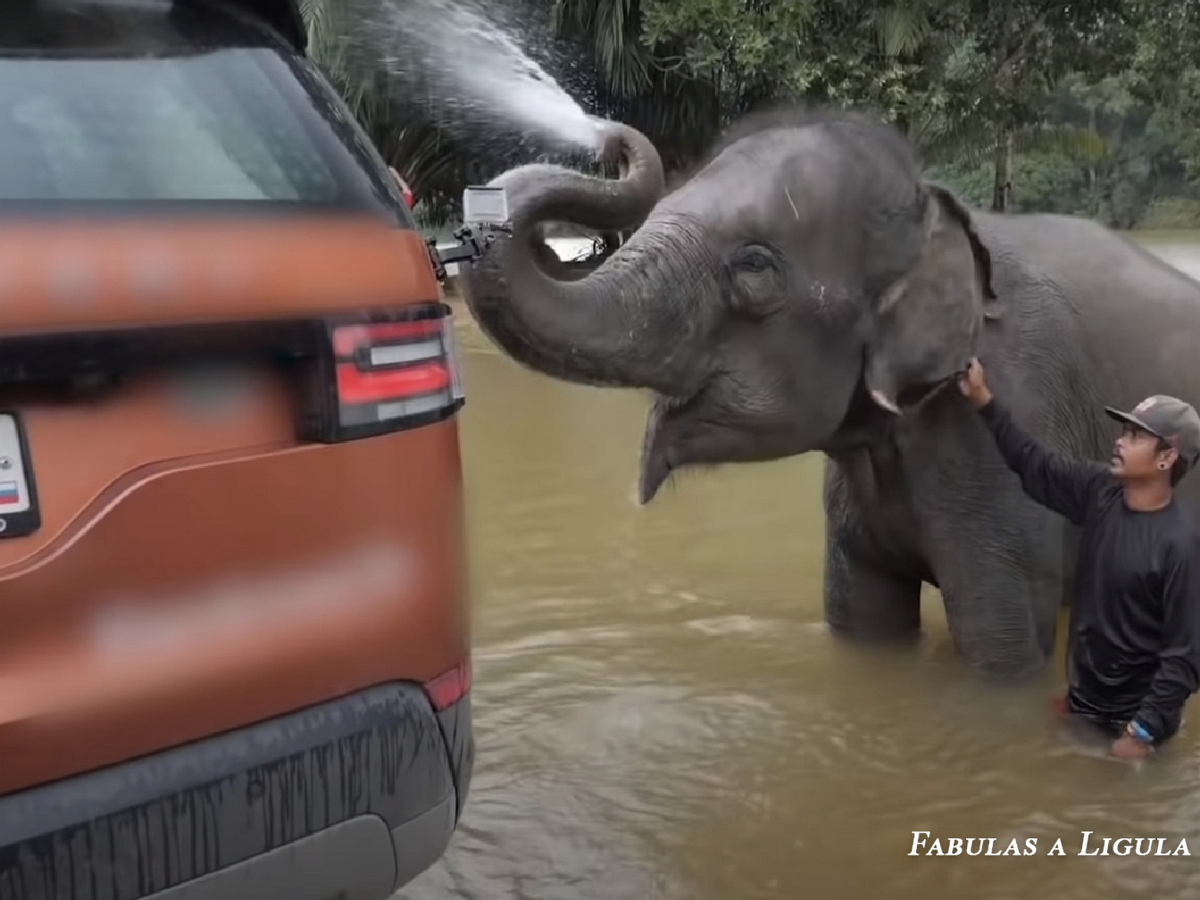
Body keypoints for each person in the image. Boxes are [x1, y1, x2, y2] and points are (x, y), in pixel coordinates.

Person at [958, 357, 1200, 761]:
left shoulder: (1180, 545)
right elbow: (1035, 464)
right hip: (1081, 706)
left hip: (1132, 727)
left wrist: (1141, 733)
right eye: (1124, 430)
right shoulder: (1100, 493)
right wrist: (985, 402)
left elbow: (1186, 658)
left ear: (1166, 458)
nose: (1120, 441)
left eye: (1136, 435)